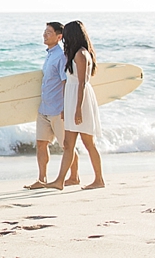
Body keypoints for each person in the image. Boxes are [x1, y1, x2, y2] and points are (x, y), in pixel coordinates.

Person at [45, 20, 105, 190]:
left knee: (88, 143)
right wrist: (66, 107)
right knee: (68, 145)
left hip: (81, 101)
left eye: (67, 35)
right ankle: (61, 180)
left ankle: (99, 180)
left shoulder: (81, 54)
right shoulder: (73, 54)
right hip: (72, 101)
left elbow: (83, 83)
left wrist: (78, 108)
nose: (64, 39)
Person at [24, 22, 79, 189]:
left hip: (57, 110)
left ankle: (74, 177)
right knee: (41, 144)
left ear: (59, 37)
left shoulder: (61, 57)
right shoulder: (49, 55)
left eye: (48, 32)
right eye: (44, 31)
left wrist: (65, 108)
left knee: (66, 146)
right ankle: (42, 179)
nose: (44, 35)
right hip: (44, 109)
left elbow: (65, 82)